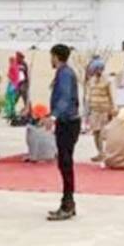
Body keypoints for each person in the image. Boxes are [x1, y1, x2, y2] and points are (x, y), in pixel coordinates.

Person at [45, 43, 81, 221]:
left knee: (65, 163)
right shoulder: (63, 72)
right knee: (64, 163)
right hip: (66, 121)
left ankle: (68, 204)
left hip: (68, 122)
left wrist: (54, 117)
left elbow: (65, 98)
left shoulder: (65, 73)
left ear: (56, 56)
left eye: (51, 56)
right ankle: (67, 202)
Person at [85, 62, 115, 162]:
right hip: (94, 110)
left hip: (104, 110)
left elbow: (111, 96)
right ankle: (99, 152)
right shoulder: (91, 81)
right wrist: (87, 110)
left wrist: (112, 109)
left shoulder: (107, 81)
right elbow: (90, 96)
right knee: (95, 132)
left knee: (102, 132)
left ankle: (104, 153)